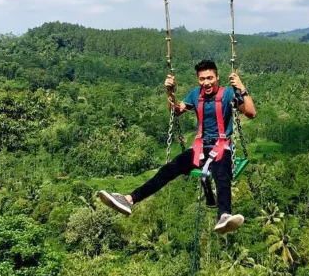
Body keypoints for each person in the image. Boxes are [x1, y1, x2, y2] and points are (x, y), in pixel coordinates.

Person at [99, 59, 257, 234]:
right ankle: (129, 199)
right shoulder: (195, 95)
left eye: (210, 78)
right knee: (168, 170)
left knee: (221, 174)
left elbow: (251, 113)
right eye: (202, 79)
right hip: (198, 148)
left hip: (221, 147)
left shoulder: (227, 94)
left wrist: (242, 88)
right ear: (198, 80)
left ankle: (225, 215)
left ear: (217, 77)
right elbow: (175, 111)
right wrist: (170, 93)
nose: (206, 82)